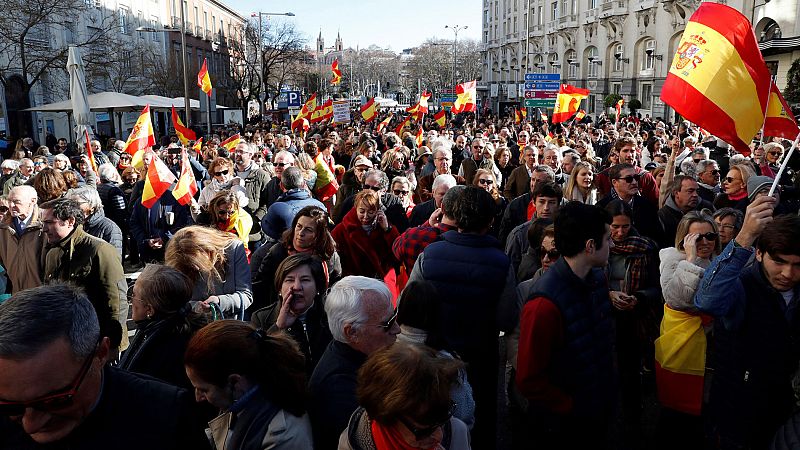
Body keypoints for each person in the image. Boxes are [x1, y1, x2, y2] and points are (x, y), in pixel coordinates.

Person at [0, 283, 209, 450]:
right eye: (12, 407)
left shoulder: (168, 416)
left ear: (101, 354)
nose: (31, 424)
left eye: (57, 400)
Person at [407, 185, 519, 448]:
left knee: (436, 420)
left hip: (434, 354)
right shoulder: (500, 262)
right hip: (480, 356)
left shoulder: (430, 255)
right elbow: (506, 318)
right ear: (490, 221)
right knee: (478, 421)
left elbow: (409, 306)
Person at [695, 197, 800, 448]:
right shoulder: (742, 285)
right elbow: (707, 301)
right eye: (779, 261)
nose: (787, 274)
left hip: (785, 412)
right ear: (759, 253)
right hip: (738, 416)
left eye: (797, 265)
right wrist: (744, 238)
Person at [516, 201, 615, 448]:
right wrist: (571, 406)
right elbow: (529, 379)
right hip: (562, 425)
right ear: (590, 246)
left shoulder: (597, 278)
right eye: (608, 239)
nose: (613, 245)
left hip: (595, 409)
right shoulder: (544, 304)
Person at [184, 321, 313, 450]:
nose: (198, 397)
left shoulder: (282, 439)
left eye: (204, 390)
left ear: (235, 382)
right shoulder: (239, 399)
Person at [308, 276, 400, 450]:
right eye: (388, 323)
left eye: (395, 316)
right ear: (352, 333)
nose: (397, 329)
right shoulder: (339, 389)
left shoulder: (361, 356)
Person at [338, 342, 472, 450]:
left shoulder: (456, 433)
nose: (439, 436)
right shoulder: (353, 444)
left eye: (442, 421)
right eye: (423, 432)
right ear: (387, 418)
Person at [40, 198, 128, 352]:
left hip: (98, 340)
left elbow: (117, 301)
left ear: (70, 221)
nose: (44, 229)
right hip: (68, 341)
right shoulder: (52, 254)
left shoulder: (99, 250)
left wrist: (112, 344)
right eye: (43, 223)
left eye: (49, 222)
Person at [395, 281, 476, 430]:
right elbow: (464, 412)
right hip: (437, 436)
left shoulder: (385, 349)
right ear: (437, 313)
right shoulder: (446, 362)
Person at [119, 264, 207, 389]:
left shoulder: (166, 349)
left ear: (149, 309)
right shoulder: (157, 328)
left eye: (133, 295)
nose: (131, 300)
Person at [250, 253, 333, 375]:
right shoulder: (262, 318)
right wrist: (279, 327)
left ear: (317, 288)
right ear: (279, 288)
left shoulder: (330, 315)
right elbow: (256, 363)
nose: (297, 287)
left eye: (305, 280)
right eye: (289, 280)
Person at [250, 206, 340, 312]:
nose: (301, 233)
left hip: (317, 313)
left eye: (308, 230)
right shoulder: (278, 252)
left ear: (318, 235)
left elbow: (335, 286)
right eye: (299, 226)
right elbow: (261, 286)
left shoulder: (328, 256)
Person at [165, 226, 252, 319]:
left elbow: (246, 297)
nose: (196, 268)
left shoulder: (234, 248)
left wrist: (219, 301)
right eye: (190, 265)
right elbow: (176, 302)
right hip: (196, 325)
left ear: (207, 249)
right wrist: (195, 306)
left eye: (196, 262)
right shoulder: (179, 261)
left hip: (229, 326)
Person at [332, 189, 400, 279]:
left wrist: (387, 230)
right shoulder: (341, 230)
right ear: (356, 209)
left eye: (371, 212)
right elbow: (334, 258)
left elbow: (398, 250)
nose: (366, 216)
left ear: (377, 210)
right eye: (362, 211)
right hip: (353, 282)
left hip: (381, 281)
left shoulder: (383, 226)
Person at [597, 163, 663, 243]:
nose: (634, 182)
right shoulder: (601, 208)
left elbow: (658, 237)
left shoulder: (647, 205)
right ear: (614, 182)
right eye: (628, 179)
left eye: (636, 178)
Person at [0, 186, 47, 292]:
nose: (11, 205)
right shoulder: (4, 227)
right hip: (16, 293)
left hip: (41, 294)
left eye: (16, 201)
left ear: (33, 201)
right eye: (9, 201)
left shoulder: (46, 225)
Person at [261, 167, 325, 241]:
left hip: (288, 248)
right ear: (304, 184)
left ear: (281, 185)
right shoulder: (320, 205)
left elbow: (269, 231)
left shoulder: (278, 208)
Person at [658, 175, 714, 247]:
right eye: (690, 191)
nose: (695, 195)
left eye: (697, 191)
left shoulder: (707, 208)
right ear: (676, 193)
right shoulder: (663, 215)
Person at [233, 142, 271, 250]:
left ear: (250, 155)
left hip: (253, 234)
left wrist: (254, 219)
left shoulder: (261, 175)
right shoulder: (228, 172)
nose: (237, 154)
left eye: (241, 152)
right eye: (236, 151)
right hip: (232, 232)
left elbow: (267, 202)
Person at [67, 186, 123, 257]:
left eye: (77, 204)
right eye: (70, 204)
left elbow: (114, 260)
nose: (72, 208)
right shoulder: (71, 225)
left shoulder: (109, 228)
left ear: (92, 207)